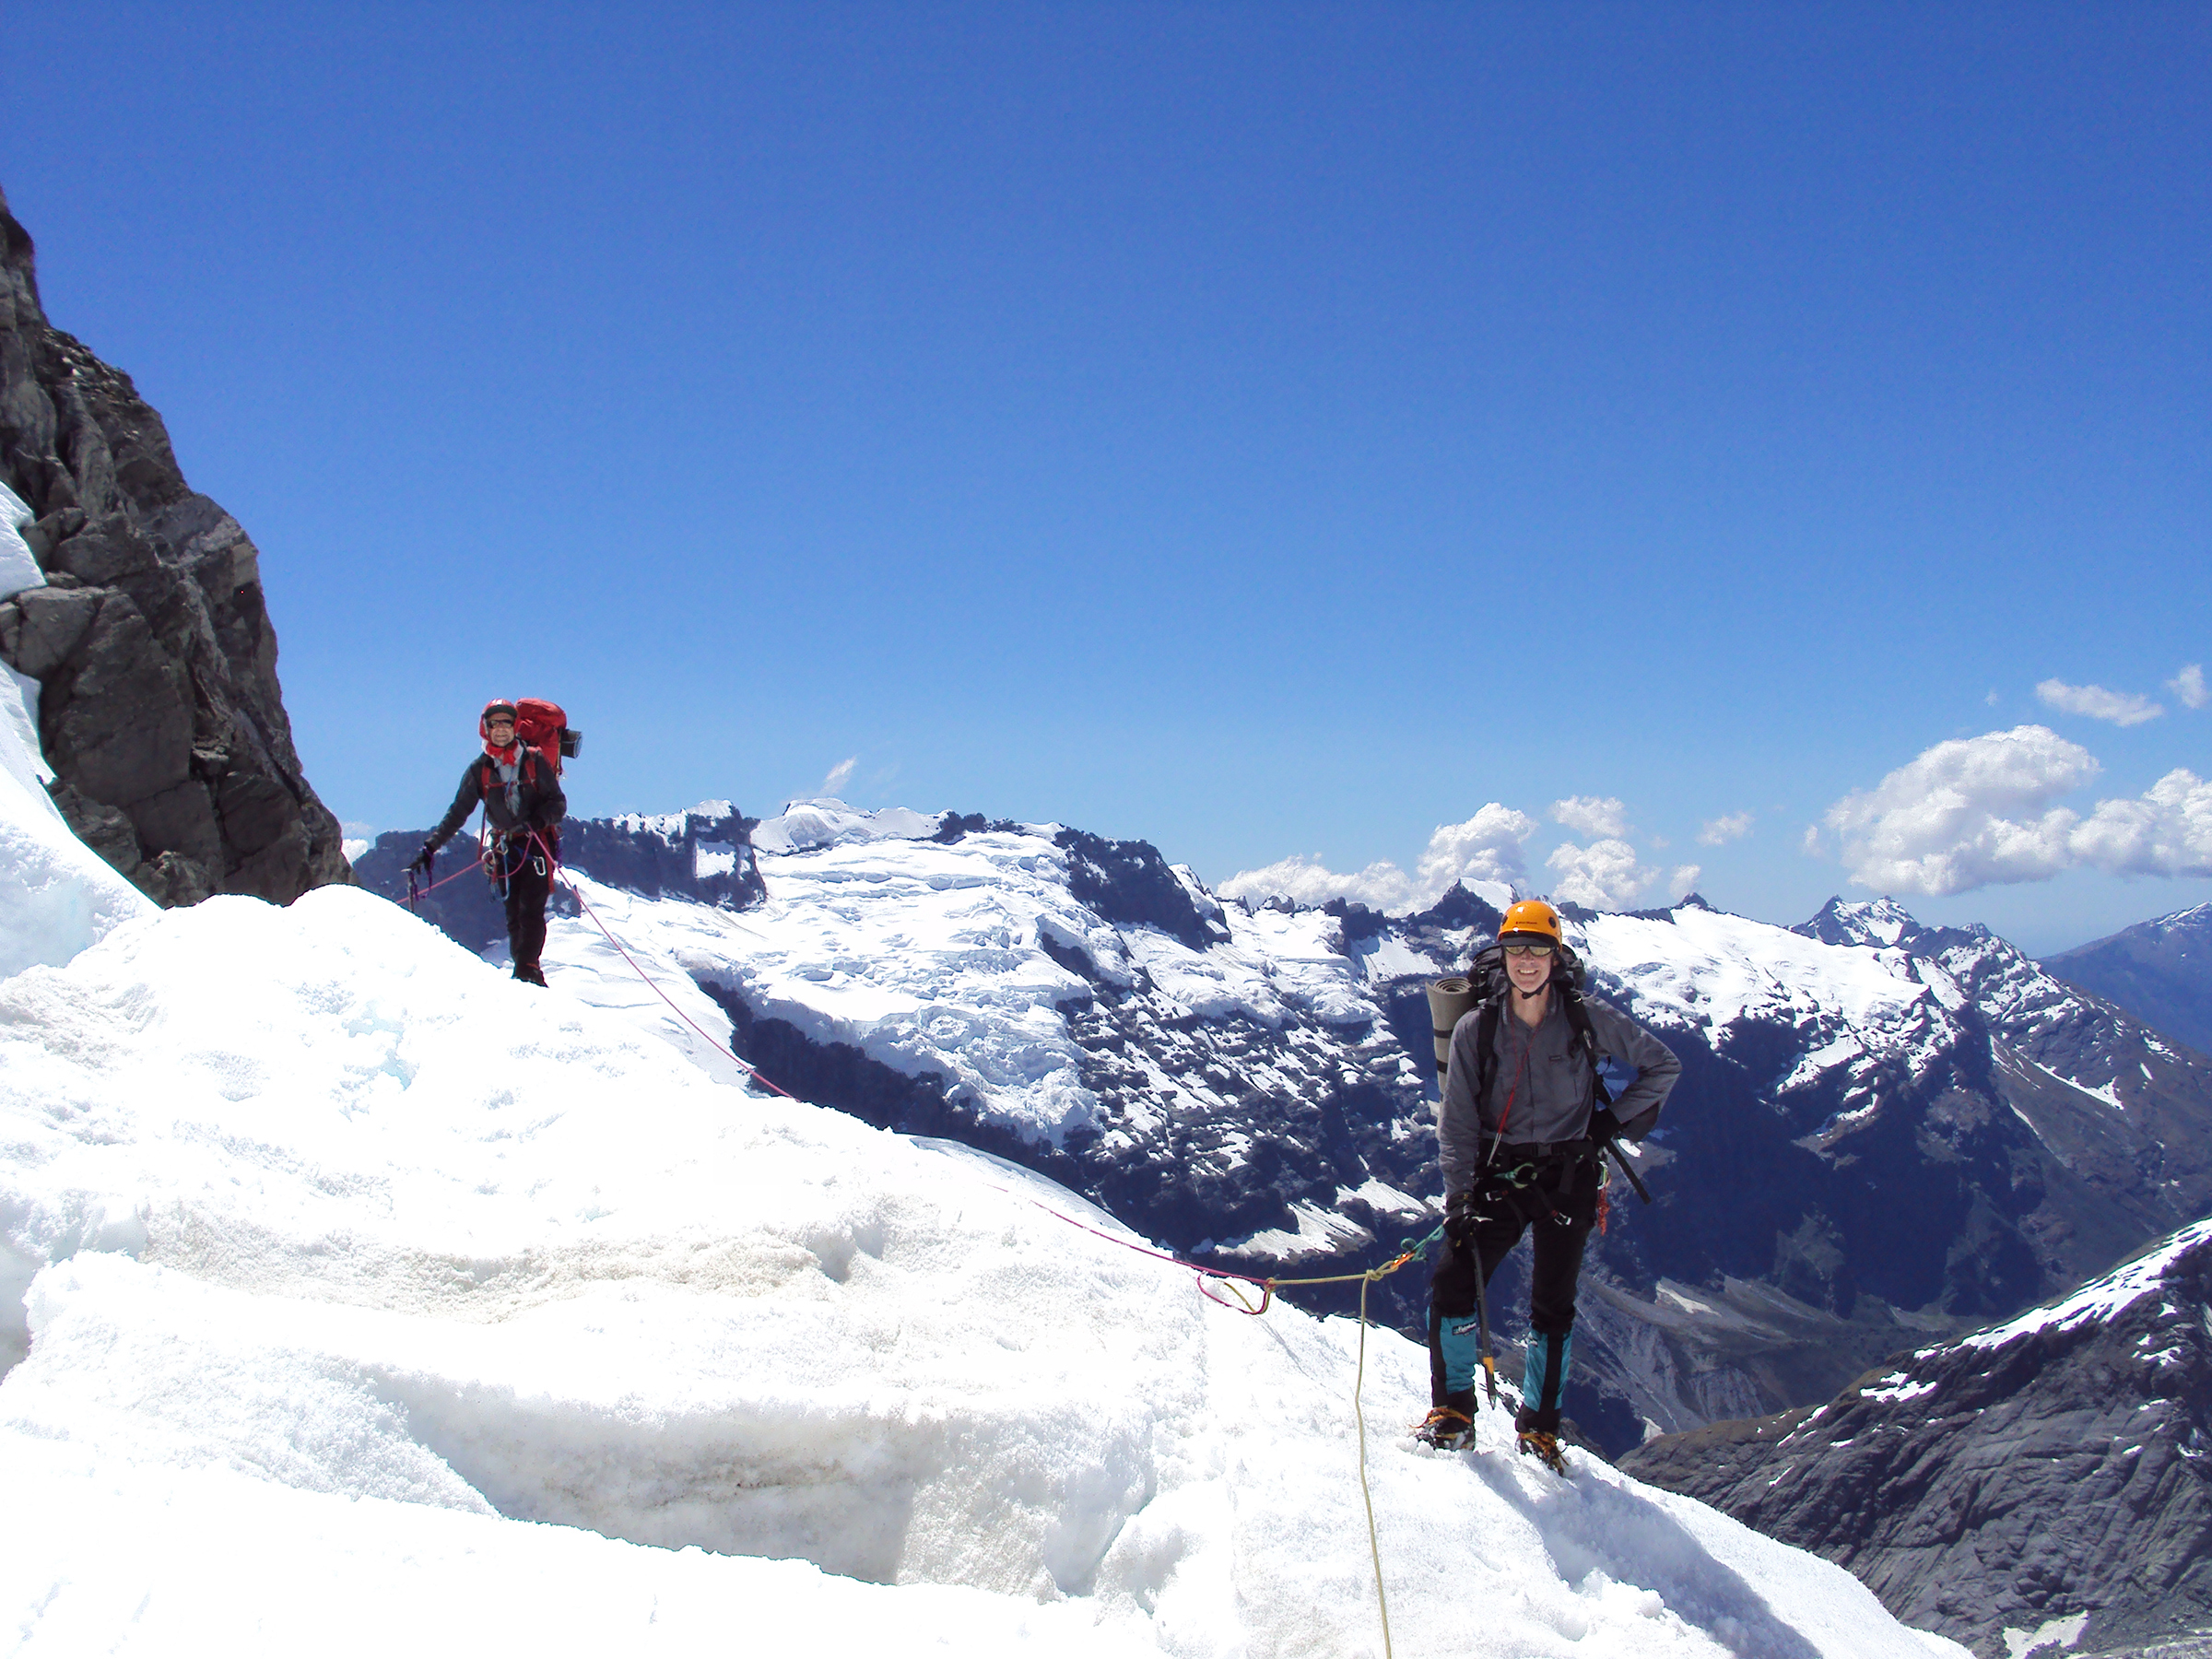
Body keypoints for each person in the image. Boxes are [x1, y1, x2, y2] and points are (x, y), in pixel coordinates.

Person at [1417, 898, 1680, 1471]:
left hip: (1570, 1176)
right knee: (1453, 1282)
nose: (1527, 961)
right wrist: (1459, 1194)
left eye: (1538, 950)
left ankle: (1539, 1430)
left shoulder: (1588, 1017)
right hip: (1499, 1178)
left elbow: (1663, 1065)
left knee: (1552, 1307)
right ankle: (1454, 1412)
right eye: (1517, 950)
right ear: (1502, 956)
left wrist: (1607, 1126)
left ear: (1556, 957)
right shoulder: (1475, 1029)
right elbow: (1457, 1120)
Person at [410, 699, 567, 986]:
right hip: (505, 848)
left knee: (530, 909)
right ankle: (525, 971)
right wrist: (431, 846)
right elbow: (458, 812)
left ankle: (527, 968)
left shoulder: (534, 760)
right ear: (486, 729)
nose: (501, 729)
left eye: (507, 722)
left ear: (515, 726)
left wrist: (536, 822)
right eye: (495, 724)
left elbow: (558, 803)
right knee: (513, 913)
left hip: (535, 844)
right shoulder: (479, 770)